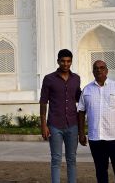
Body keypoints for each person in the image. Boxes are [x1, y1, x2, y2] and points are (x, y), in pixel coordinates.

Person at [78, 60, 115, 183]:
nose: (99, 70)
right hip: (96, 139)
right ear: (93, 71)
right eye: (96, 68)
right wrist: (81, 133)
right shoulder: (87, 90)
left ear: (107, 70)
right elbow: (81, 111)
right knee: (100, 171)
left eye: (102, 67)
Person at [40, 49, 82, 183]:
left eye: (68, 61)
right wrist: (43, 125)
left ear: (71, 62)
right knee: (56, 159)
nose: (66, 64)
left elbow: (79, 99)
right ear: (58, 61)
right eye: (63, 61)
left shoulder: (76, 78)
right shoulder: (49, 79)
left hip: (72, 124)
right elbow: (43, 102)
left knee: (72, 159)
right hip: (54, 125)